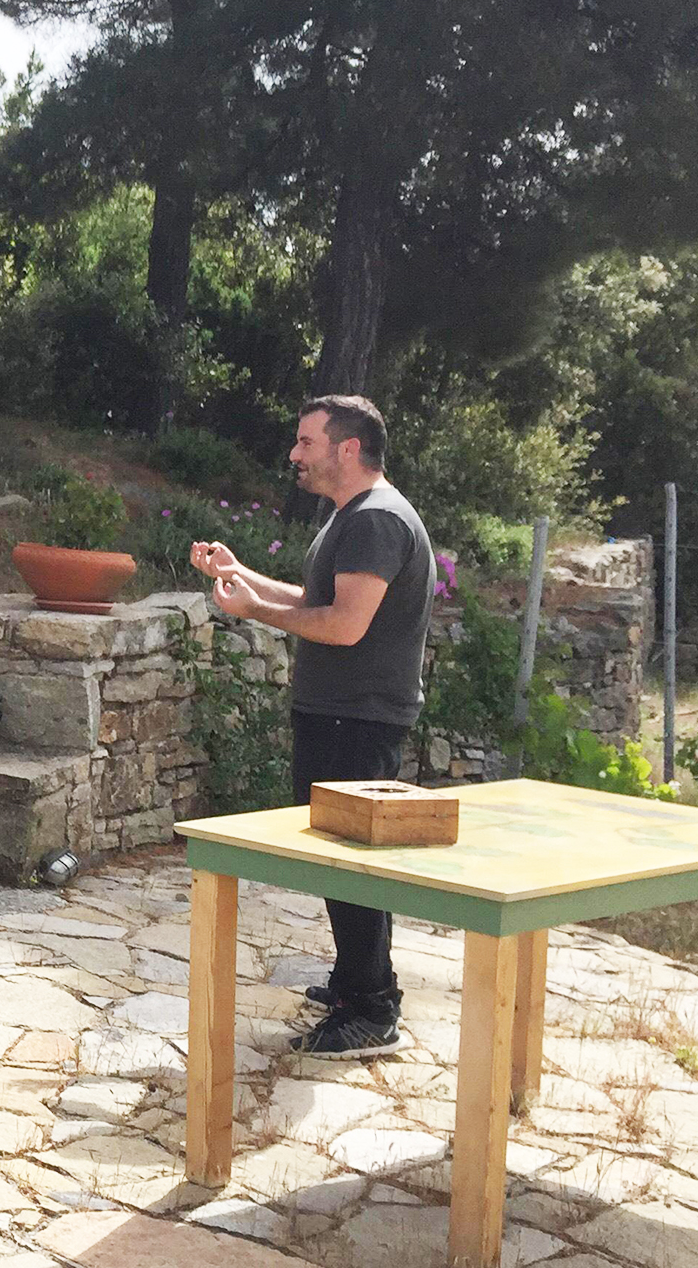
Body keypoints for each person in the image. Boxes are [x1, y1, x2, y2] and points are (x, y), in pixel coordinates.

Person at [192, 394, 433, 1058]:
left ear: (346, 449)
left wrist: (256, 613)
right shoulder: (354, 518)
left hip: (358, 717)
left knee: (352, 862)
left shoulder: (375, 521)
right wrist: (240, 576)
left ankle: (373, 1008)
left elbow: (344, 626)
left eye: (305, 442)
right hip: (342, 713)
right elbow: (318, 601)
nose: (294, 455)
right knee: (341, 857)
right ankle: (357, 978)